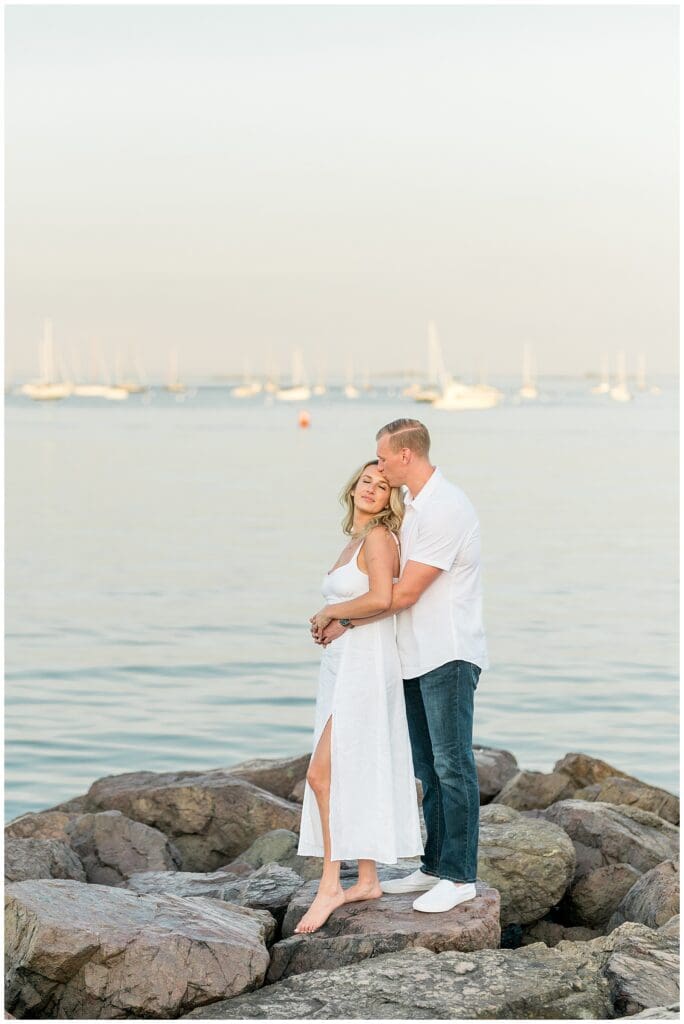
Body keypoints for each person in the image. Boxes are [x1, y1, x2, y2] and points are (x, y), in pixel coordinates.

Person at [316, 418, 487, 914]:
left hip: (448, 653)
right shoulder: (411, 508)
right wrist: (346, 620)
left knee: (454, 765)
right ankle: (434, 866)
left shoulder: (445, 508)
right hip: (410, 654)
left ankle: (460, 877)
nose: (381, 467)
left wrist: (337, 614)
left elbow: (404, 592)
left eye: (384, 458)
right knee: (429, 768)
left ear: (405, 455)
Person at [295, 459, 423, 933]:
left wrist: (333, 610)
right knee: (355, 766)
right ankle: (366, 879)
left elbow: (383, 598)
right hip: (342, 664)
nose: (372, 489)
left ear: (391, 498)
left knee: (322, 774)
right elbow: (368, 604)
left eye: (383, 485)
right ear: (353, 488)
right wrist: (339, 622)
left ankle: (331, 883)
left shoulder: (378, 538)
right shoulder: (355, 539)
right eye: (366, 481)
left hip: (366, 667)